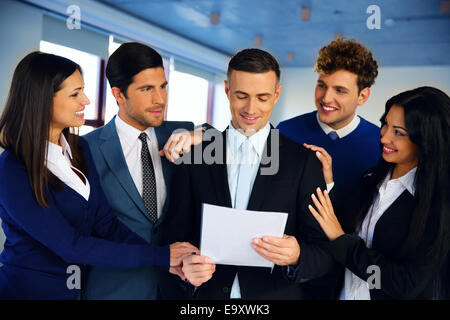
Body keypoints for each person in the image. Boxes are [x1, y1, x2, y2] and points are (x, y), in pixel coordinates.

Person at [0, 51, 197, 300]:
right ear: (42, 99)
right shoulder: (12, 168)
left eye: (82, 90)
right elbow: (70, 245)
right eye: (75, 94)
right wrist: (159, 256)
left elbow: (107, 226)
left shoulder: (78, 149)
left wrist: (165, 260)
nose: (86, 101)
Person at [160, 48, 334, 299]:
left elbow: (325, 252)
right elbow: (174, 236)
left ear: (277, 95)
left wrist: (298, 256)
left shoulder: (303, 162)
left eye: (262, 97)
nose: (251, 109)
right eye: (241, 95)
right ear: (227, 90)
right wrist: (185, 265)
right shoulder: (194, 156)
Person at [82, 42, 206, 300]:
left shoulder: (183, 132)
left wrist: (201, 135)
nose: (160, 99)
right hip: (114, 291)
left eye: (163, 87)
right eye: (147, 89)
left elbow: (236, 141)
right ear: (118, 94)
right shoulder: (87, 149)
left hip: (176, 291)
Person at [308, 86, 450, 299]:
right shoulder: (370, 178)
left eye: (398, 133)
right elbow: (342, 229)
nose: (384, 138)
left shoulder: (438, 204)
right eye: (385, 124)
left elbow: (404, 285)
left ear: (426, 140)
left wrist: (342, 243)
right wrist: (328, 181)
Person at [277, 36, 381, 209]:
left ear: (362, 96)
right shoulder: (284, 131)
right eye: (322, 86)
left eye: (340, 91)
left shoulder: (380, 144)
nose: (326, 98)